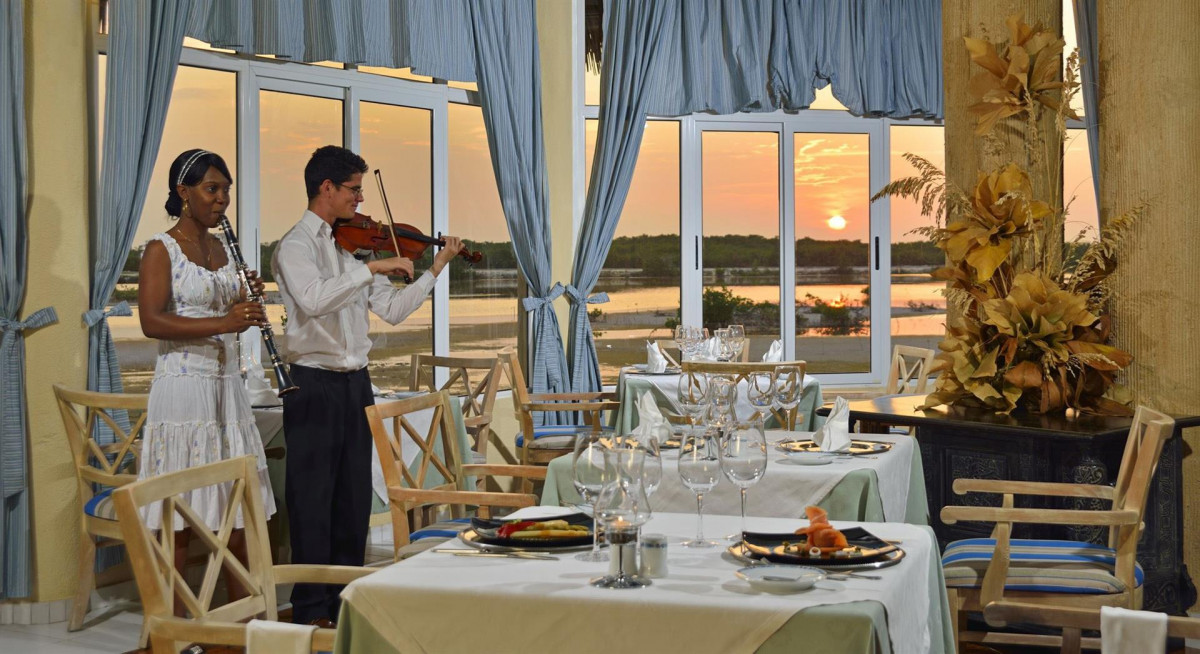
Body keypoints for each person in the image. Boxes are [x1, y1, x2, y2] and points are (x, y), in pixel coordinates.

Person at [272, 145, 464, 627]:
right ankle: (310, 611)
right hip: (311, 383)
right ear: (327, 188)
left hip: (356, 383)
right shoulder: (296, 245)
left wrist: (435, 269)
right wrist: (371, 268)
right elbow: (314, 301)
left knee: (353, 499)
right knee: (312, 500)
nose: (360, 199)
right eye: (354, 190)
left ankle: (346, 604)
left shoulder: (352, 247)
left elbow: (394, 310)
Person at [137, 149, 277, 615]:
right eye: (211, 189)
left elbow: (224, 312)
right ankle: (173, 626)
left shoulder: (222, 250)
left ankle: (245, 620)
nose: (222, 200)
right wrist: (226, 322)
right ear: (183, 192)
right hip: (182, 391)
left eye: (226, 190)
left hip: (226, 387)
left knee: (238, 508)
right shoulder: (160, 249)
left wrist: (244, 300)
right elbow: (152, 322)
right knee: (176, 511)